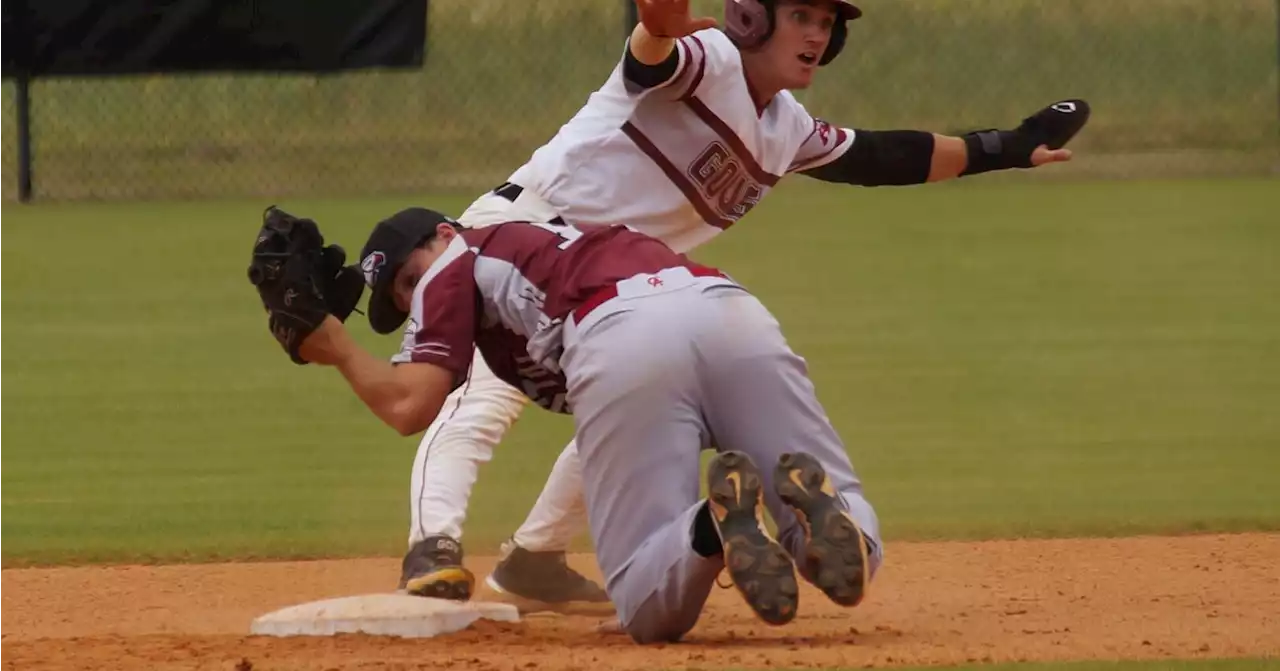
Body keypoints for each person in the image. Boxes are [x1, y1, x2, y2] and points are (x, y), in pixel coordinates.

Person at [391, 0, 1090, 612]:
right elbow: (653, 54)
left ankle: (537, 555)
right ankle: (431, 547)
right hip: (526, 236)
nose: (817, 34)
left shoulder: (786, 128)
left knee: (639, 400)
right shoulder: (710, 59)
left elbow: (887, 156)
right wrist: (656, 27)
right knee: (480, 399)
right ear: (752, 16)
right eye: (802, 16)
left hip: (619, 296)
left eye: (825, 22)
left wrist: (1006, 146)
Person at [293, 206, 883, 643]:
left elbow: (409, 408)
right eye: (402, 295)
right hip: (726, 308)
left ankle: (710, 526)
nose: (414, 296)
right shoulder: (546, 241)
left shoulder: (456, 260)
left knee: (646, 607)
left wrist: (336, 346)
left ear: (444, 234)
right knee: (850, 517)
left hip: (620, 336)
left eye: (407, 278)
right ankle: (830, 515)